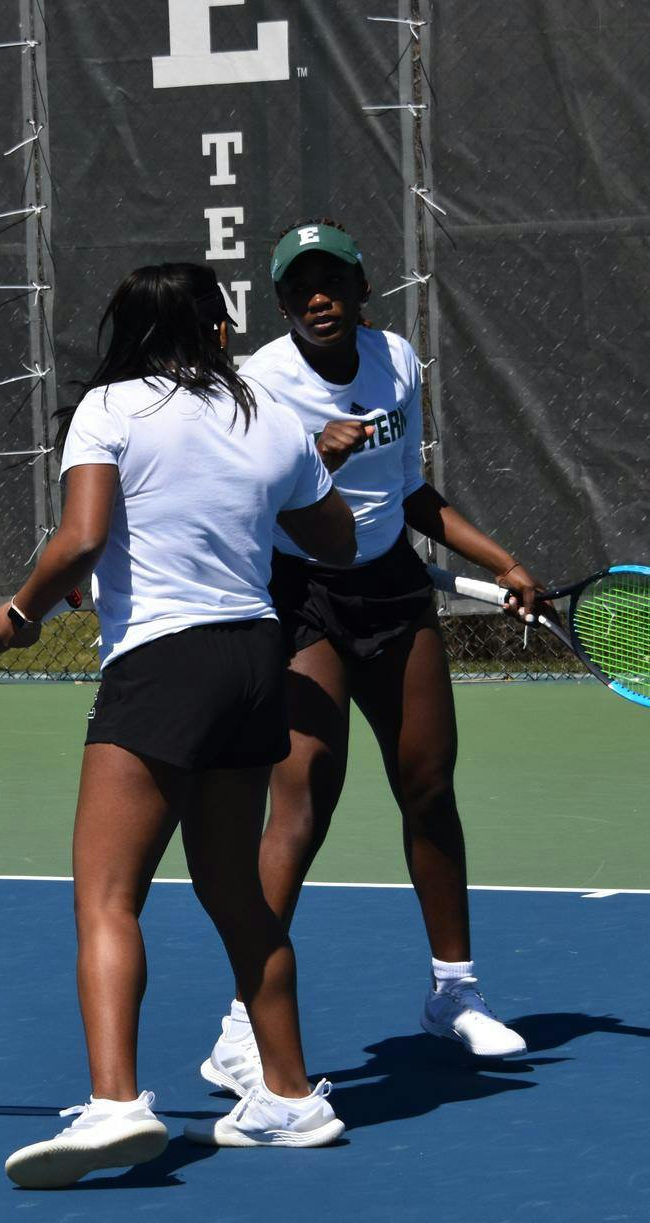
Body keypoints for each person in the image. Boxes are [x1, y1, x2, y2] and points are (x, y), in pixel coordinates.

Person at [0, 262, 358, 1189]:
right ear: (219, 332)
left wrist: (22, 611)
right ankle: (290, 1096)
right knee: (237, 892)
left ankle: (115, 1105)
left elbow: (78, 540)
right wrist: (299, 475)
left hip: (163, 664)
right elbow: (337, 541)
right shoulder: (271, 417)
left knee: (107, 896)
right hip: (252, 662)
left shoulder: (108, 411)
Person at [199, 220, 540, 1101]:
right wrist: (313, 458)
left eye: (334, 282)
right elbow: (242, 493)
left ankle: (454, 992)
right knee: (304, 796)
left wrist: (499, 560)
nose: (319, 298)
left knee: (429, 785)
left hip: (391, 584)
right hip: (303, 590)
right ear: (281, 303)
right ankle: (242, 1023)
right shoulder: (261, 382)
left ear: (360, 290)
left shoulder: (396, 362)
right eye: (301, 286)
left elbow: (410, 490)